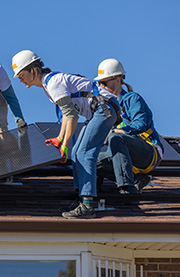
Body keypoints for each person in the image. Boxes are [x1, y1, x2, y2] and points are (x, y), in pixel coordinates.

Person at [11, 50, 121, 219]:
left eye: (21, 75)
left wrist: (64, 144)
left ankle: (87, 205)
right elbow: (66, 116)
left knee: (85, 153)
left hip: (103, 108)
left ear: (32, 69)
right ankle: (81, 200)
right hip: (100, 109)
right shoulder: (49, 85)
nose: (20, 79)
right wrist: (60, 139)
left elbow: (72, 116)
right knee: (77, 153)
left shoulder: (53, 83)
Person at [96, 58, 163, 194]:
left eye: (104, 82)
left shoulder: (132, 99)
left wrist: (117, 131)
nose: (101, 86)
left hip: (148, 152)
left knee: (115, 137)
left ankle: (128, 190)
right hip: (123, 158)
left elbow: (141, 124)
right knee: (88, 160)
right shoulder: (105, 107)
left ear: (118, 80)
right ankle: (136, 179)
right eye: (99, 83)